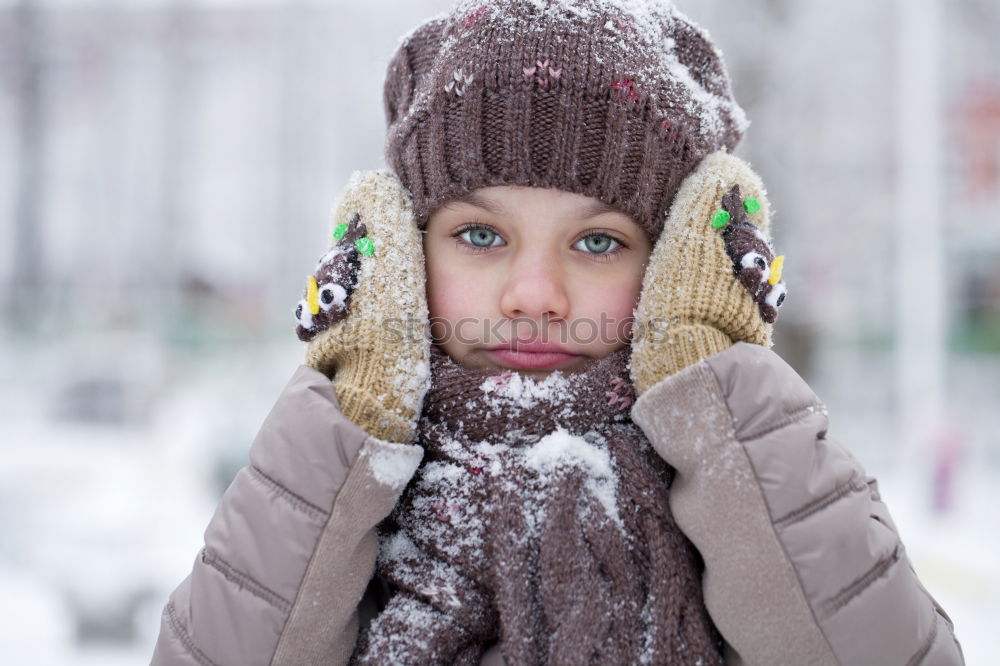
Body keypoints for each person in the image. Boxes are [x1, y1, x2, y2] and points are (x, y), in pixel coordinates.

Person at [151, 1, 964, 664]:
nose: (534, 295)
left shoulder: (741, 473)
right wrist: (356, 408)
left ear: (678, 254)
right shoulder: (343, 477)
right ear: (400, 247)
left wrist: (712, 380)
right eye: (478, 235)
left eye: (599, 241)